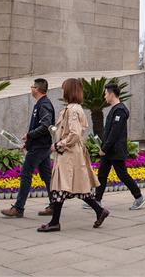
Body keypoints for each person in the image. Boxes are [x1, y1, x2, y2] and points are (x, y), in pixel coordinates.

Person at [39, 78, 109, 232]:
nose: (62, 91)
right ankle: (99, 211)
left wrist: (59, 144)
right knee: (78, 187)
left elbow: (75, 134)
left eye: (64, 88)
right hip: (71, 153)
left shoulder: (72, 110)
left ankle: (55, 222)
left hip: (68, 154)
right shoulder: (74, 108)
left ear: (69, 91)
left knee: (59, 186)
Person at [2, 78, 55, 218]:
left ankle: (18, 208)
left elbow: (45, 125)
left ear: (36, 89)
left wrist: (29, 135)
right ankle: (55, 205)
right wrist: (28, 142)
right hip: (40, 146)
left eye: (32, 86)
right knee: (47, 176)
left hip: (39, 147)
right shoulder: (41, 104)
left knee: (26, 174)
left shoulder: (44, 105)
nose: (31, 88)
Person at [93, 82, 145, 210]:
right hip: (109, 150)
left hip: (115, 150)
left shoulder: (120, 111)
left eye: (105, 94)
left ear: (111, 94)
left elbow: (115, 133)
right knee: (102, 174)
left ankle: (139, 197)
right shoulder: (114, 109)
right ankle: (97, 200)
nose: (104, 96)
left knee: (122, 174)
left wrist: (104, 149)